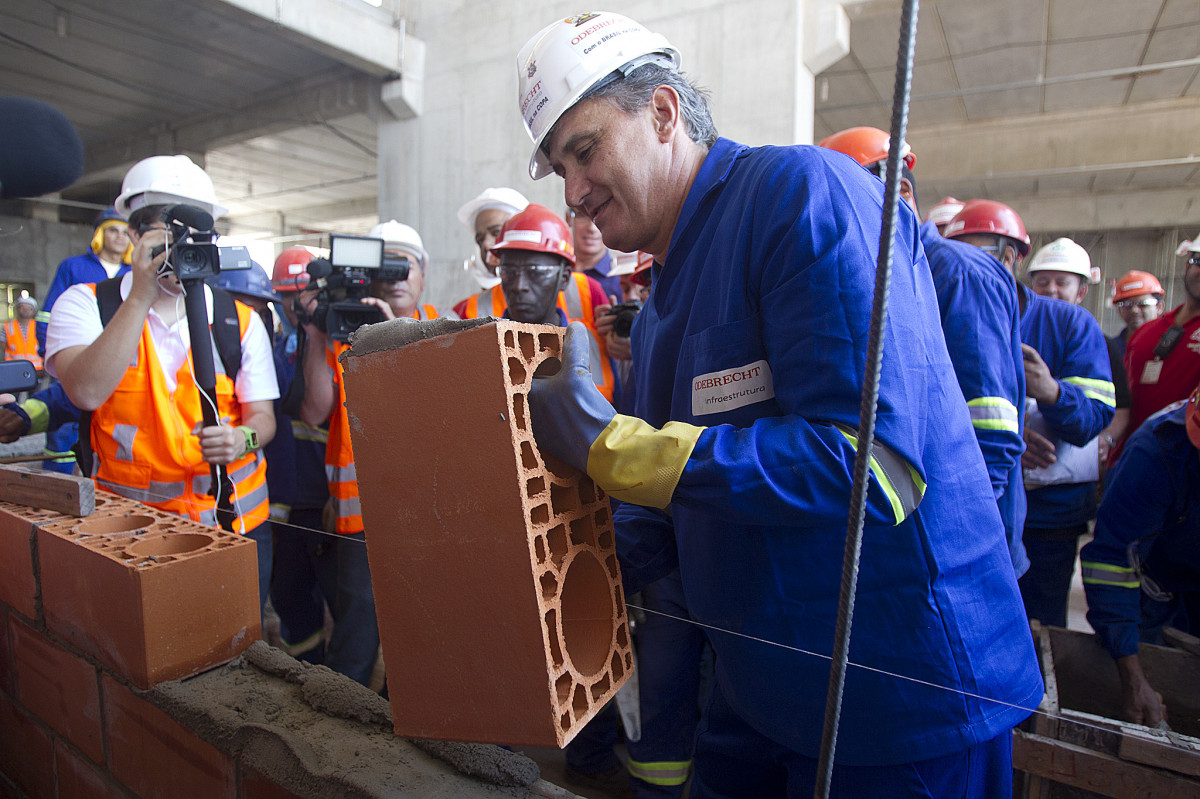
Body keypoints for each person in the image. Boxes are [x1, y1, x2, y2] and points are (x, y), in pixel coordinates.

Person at [516, 12, 1041, 796]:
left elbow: (876, 466)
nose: (575, 193)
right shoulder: (662, 301)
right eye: (560, 167)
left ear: (663, 112)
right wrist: (547, 575)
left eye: (585, 150)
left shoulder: (801, 195)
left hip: (895, 693)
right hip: (763, 678)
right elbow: (664, 517)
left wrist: (612, 445)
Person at [44, 154, 278, 606]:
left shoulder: (239, 320)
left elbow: (262, 417)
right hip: (127, 533)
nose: (182, 247)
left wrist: (243, 438)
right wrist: (141, 294)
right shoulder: (86, 304)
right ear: (133, 233)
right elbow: (86, 391)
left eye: (197, 235)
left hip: (233, 524)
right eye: (169, 232)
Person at [821, 128, 1028, 576]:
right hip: (915, 526)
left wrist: (964, 532)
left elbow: (990, 420)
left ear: (902, 190)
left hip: (960, 531)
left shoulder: (957, 272)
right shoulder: (882, 272)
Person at [947, 219, 1114, 629]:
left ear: (1009, 259)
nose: (1053, 290)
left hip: (1049, 515)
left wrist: (1050, 390)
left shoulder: (1071, 325)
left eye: (1063, 282)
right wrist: (1010, 436)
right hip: (977, 503)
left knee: (1040, 622)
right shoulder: (950, 306)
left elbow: (1091, 421)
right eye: (1045, 280)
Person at [298, 218, 441, 685]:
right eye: (384, 268)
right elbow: (316, 411)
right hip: (360, 520)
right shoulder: (345, 332)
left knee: (428, 640)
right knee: (355, 644)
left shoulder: (446, 328)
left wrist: (392, 342)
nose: (393, 280)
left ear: (423, 275)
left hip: (430, 517)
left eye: (404, 267)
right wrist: (318, 334)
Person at [1081, 386, 1200, 727]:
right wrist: (1132, 676)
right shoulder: (1155, 452)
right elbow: (1110, 560)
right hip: (1155, 587)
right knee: (1145, 688)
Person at [265, 246, 333, 665]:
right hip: (279, 504)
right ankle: (306, 671)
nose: (298, 306)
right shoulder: (262, 347)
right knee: (289, 598)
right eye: (289, 297)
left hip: (326, 500)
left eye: (306, 295)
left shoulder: (336, 346)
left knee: (345, 602)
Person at [33, 207, 133, 473]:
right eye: (113, 230)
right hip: (75, 360)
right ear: (99, 234)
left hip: (121, 367)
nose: (120, 237)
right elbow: (46, 316)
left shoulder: (136, 273)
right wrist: (55, 358)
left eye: (125, 232)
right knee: (64, 430)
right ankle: (57, 487)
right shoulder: (73, 267)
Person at [1115, 236, 1200, 464]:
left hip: (1186, 465)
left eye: (1141, 303)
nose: (1134, 310)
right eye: (1199, 261)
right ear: (1187, 265)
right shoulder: (1147, 333)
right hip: (1132, 460)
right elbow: (1126, 399)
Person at [1100, 271, 1164, 467]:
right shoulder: (1109, 349)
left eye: (1143, 304)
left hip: (1160, 444)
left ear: (1160, 306)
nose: (1134, 310)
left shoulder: (1172, 349)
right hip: (1117, 449)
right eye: (1126, 305)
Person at [453, 187, 529, 312]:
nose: (486, 245)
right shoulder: (464, 311)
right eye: (480, 239)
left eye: (496, 232)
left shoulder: (564, 292)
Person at [569, 207, 621, 300]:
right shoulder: (554, 274)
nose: (592, 228)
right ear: (568, 218)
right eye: (583, 215)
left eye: (602, 217)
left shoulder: (622, 282)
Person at [3, 297, 43, 371]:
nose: (25, 310)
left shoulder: (39, 326)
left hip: (36, 369)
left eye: (29, 308)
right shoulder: (8, 326)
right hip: (13, 368)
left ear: (34, 311)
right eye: (23, 307)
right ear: (17, 309)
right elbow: (2, 345)